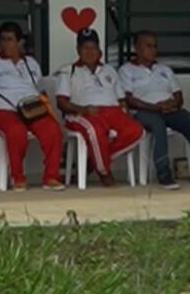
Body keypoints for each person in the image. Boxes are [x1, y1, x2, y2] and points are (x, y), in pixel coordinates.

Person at [121, 30, 190, 189]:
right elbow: (128, 99)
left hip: (169, 110)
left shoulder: (165, 70)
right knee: (158, 124)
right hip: (142, 112)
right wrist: (154, 107)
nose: (153, 50)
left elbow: (179, 96)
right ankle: (164, 173)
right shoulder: (126, 70)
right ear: (137, 48)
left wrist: (172, 104)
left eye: (155, 46)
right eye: (148, 46)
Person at [0, 21, 65, 191]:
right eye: (2, 39)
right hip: (2, 111)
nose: (5, 43)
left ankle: (51, 177)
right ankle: (17, 177)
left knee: (52, 130)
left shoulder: (31, 63)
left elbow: (40, 91)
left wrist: (48, 110)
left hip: (31, 108)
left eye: (9, 39)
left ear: (20, 42)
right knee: (16, 132)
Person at [56, 29, 144, 187]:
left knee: (137, 131)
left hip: (112, 111)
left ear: (100, 51)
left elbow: (121, 99)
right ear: (78, 50)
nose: (90, 52)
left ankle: (94, 161)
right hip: (82, 113)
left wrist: (125, 112)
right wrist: (84, 110)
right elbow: (61, 102)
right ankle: (104, 171)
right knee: (95, 130)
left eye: (93, 48)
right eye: (85, 48)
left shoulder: (109, 70)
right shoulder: (68, 71)